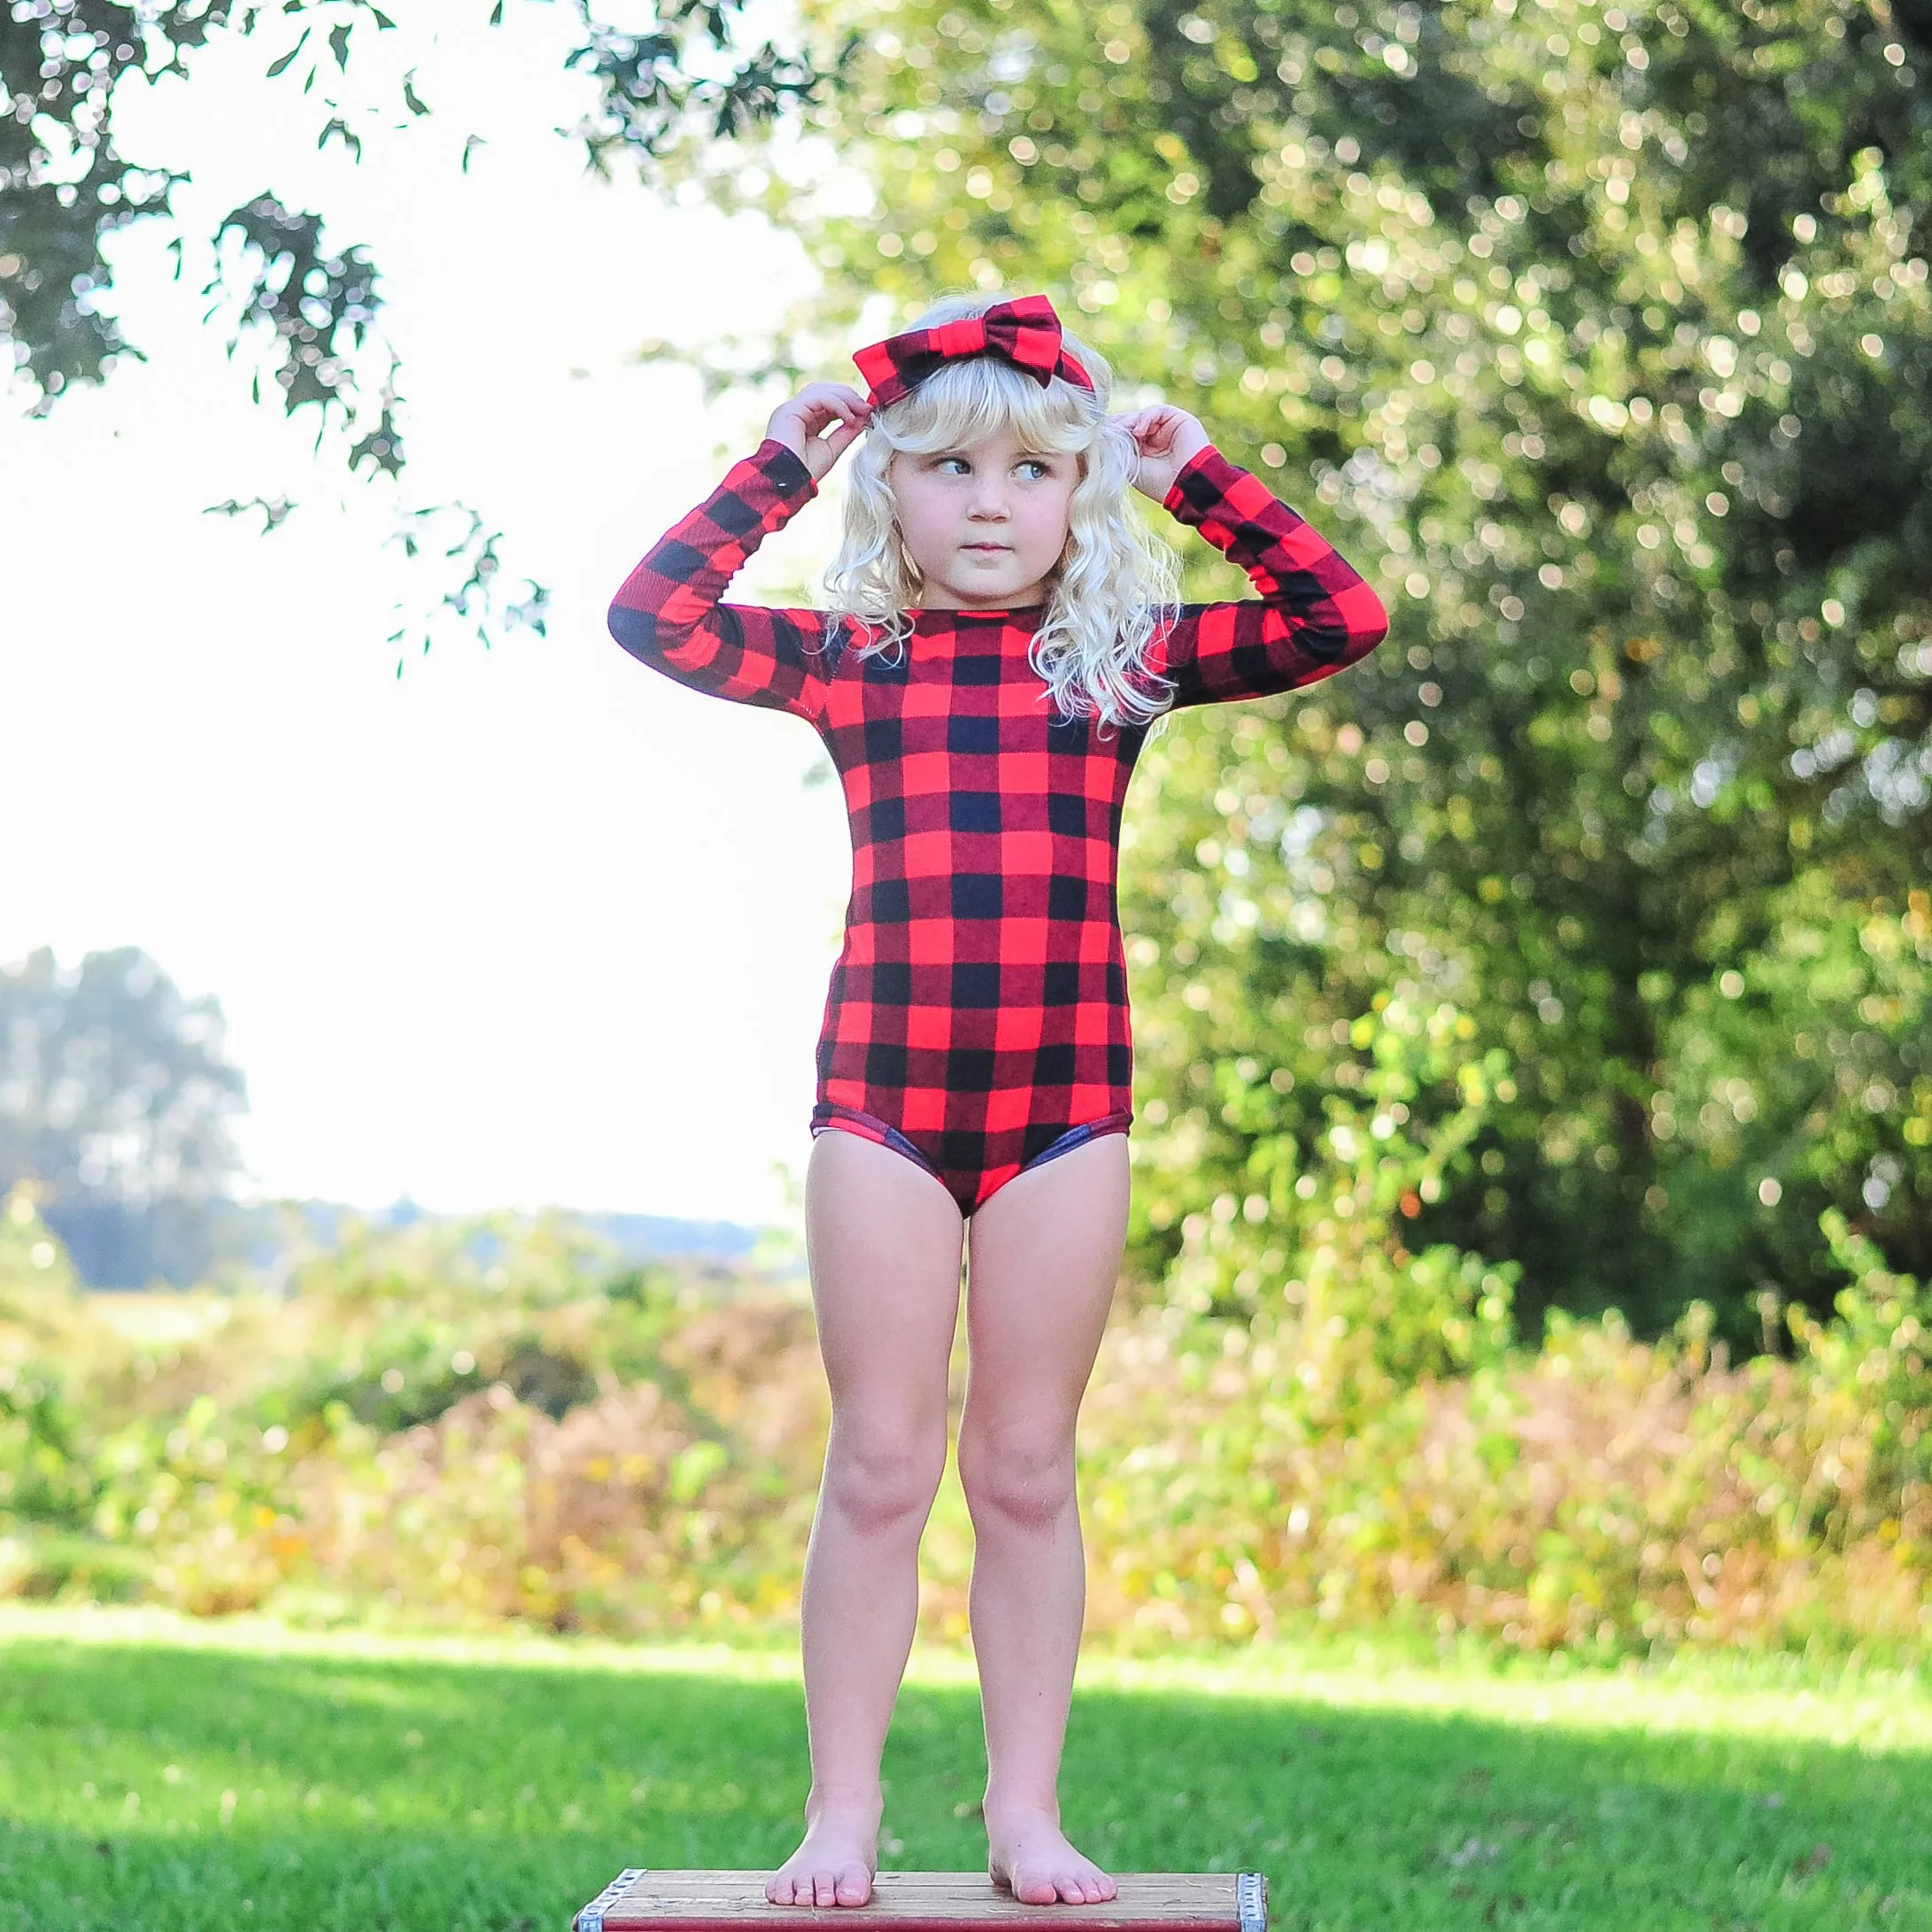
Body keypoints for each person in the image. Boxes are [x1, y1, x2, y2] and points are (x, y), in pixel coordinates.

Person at [607, 291, 1388, 1910]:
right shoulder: (849, 662)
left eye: (1032, 471)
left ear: (1080, 497)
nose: (986, 500)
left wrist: (1201, 476)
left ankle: (1024, 1814)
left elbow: (1339, 617)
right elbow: (656, 616)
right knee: (881, 1463)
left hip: (1063, 1110)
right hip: (880, 1105)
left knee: (1026, 1464)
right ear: (886, 486)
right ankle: (841, 1817)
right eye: (945, 465)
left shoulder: (1118, 669)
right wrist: (776, 465)